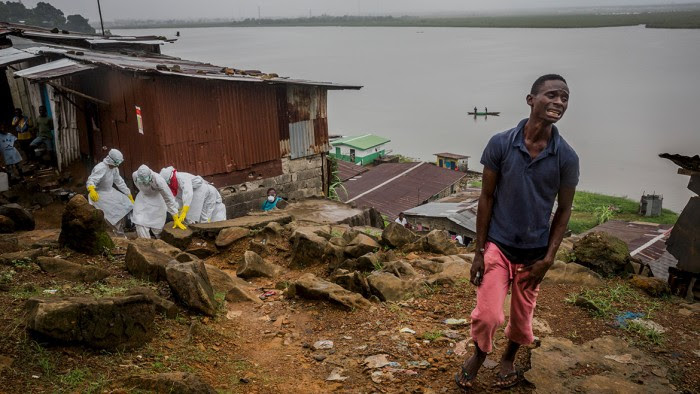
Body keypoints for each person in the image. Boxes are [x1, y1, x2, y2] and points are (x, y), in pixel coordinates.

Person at [455, 74, 578, 390]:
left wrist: (548, 258)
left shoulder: (566, 157)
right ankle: (480, 355)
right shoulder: (501, 144)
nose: (559, 102)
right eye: (552, 95)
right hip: (498, 246)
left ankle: (508, 358)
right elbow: (487, 196)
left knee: (522, 319)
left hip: (534, 255)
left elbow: (564, 210)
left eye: (564, 97)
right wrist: (479, 252)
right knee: (487, 315)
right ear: (531, 100)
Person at [86, 149, 134, 235]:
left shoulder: (114, 168)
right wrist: (91, 189)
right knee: (111, 215)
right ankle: (117, 234)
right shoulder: (101, 167)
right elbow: (91, 180)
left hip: (110, 191)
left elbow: (119, 181)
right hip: (99, 195)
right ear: (110, 160)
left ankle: (125, 227)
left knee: (127, 204)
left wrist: (128, 194)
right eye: (116, 163)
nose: (117, 165)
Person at [132, 164, 179, 239]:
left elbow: (168, 197)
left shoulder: (159, 180)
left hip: (157, 200)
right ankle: (145, 244)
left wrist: (175, 214)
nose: (144, 182)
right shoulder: (135, 175)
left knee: (157, 225)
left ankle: (161, 242)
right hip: (142, 199)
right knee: (139, 221)